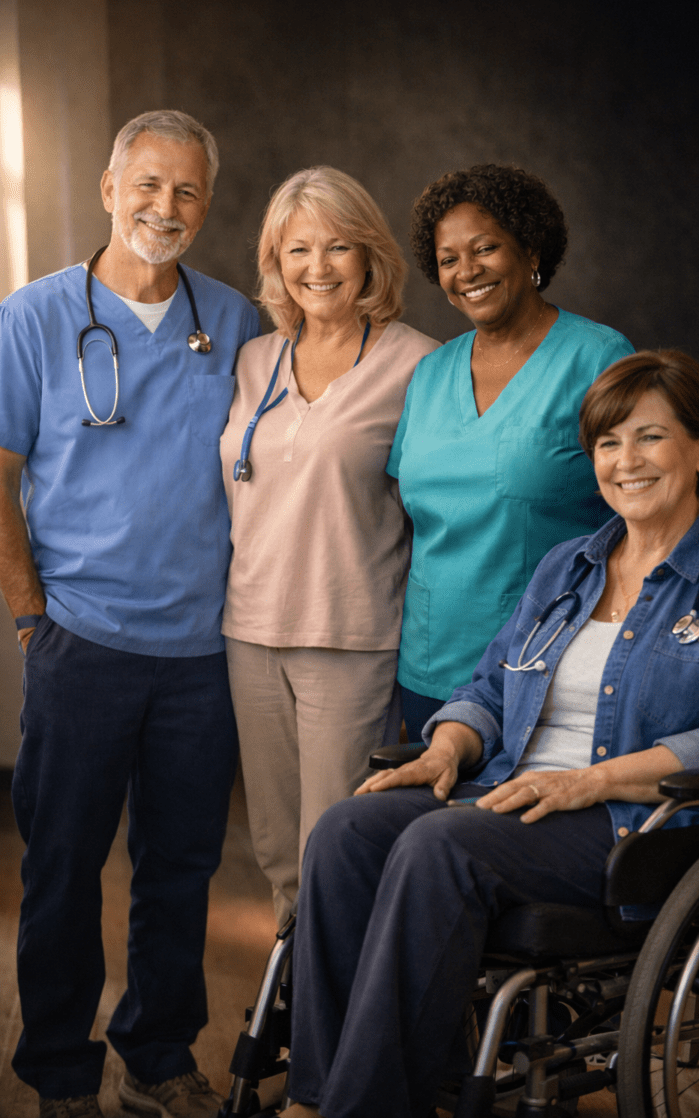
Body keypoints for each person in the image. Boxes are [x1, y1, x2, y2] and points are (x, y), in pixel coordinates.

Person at [279, 350, 699, 1118]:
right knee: (347, 830)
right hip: (515, 791)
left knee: (442, 845)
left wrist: (591, 781)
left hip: (637, 824)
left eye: (650, 438)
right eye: (609, 443)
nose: (625, 461)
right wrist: (447, 749)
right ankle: (312, 1097)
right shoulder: (567, 567)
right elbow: (489, 685)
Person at [0, 111, 261, 1118]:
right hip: (82, 644)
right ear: (109, 189)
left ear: (207, 204)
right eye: (148, 185)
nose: (167, 207)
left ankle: (157, 1054)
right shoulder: (33, 317)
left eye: (188, 190)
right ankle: (60, 1071)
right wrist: (32, 620)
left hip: (203, 653)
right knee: (63, 867)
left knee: (182, 868)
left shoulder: (232, 322)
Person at [220, 166, 440, 925]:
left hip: (350, 637)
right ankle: (293, 1015)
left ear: (370, 257)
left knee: (331, 847)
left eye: (338, 247)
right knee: (279, 849)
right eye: (298, 249)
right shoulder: (255, 361)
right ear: (275, 262)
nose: (317, 267)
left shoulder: (417, 364)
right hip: (249, 632)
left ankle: (339, 1032)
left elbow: (443, 505)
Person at [387, 163, 635, 738]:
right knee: (424, 823)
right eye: (449, 260)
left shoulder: (598, 358)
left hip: (543, 664)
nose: (466, 272)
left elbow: (647, 506)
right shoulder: (430, 372)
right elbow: (409, 512)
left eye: (485, 249)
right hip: (428, 666)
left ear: (531, 250)